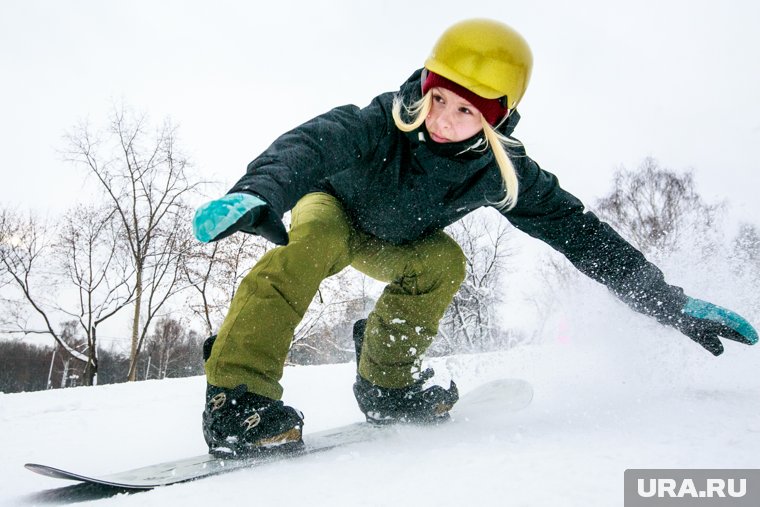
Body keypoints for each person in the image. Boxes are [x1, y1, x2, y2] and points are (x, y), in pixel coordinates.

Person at [193, 19, 757, 456]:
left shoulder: (499, 169)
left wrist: (665, 301)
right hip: (333, 209)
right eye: (437, 98)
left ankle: (386, 384)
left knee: (444, 262)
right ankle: (236, 394)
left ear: (495, 117)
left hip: (399, 244)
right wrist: (261, 191)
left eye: (465, 110)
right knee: (309, 242)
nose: (441, 118)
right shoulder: (382, 118)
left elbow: (579, 232)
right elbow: (311, 144)